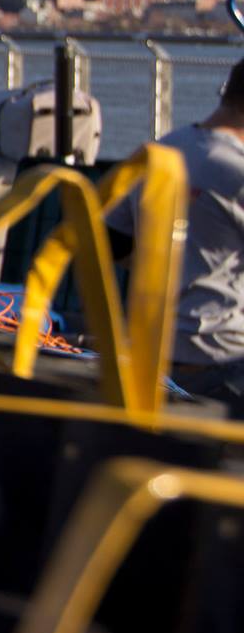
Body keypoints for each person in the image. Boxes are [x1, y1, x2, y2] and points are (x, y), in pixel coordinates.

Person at [113, 58, 244, 404]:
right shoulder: (236, 171)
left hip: (152, 352)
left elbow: (112, 241)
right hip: (224, 357)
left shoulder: (162, 149)